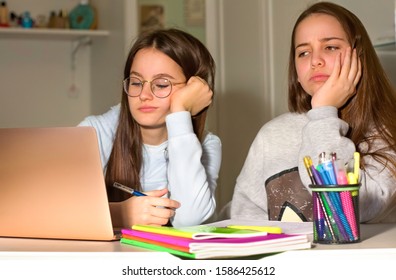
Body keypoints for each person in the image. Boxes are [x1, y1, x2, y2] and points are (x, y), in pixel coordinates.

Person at [230, 2, 396, 223]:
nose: (315, 61)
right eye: (303, 52)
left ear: (359, 58)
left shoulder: (386, 133)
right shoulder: (271, 135)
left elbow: (343, 210)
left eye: (330, 47)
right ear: (296, 72)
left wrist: (324, 112)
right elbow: (245, 220)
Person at [78, 28, 221, 228]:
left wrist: (180, 112)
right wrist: (120, 213)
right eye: (136, 82)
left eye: (161, 85)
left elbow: (188, 219)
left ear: (192, 91)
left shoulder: (208, 144)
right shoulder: (93, 133)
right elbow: (56, 207)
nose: (144, 94)